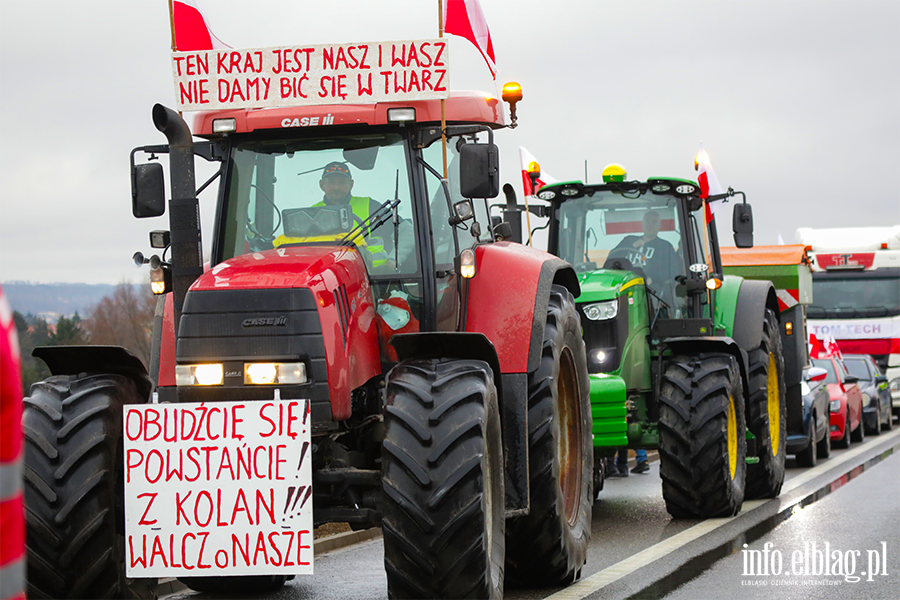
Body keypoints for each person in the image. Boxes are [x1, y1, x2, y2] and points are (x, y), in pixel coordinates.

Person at [612, 209, 681, 290]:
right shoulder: (628, 240)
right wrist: (632, 246)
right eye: (647, 222)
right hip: (623, 286)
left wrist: (653, 278)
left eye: (654, 222)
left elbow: (673, 271)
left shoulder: (665, 247)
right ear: (642, 224)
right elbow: (611, 258)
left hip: (651, 290)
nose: (650, 225)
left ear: (659, 225)